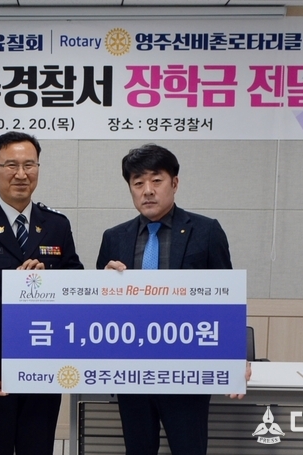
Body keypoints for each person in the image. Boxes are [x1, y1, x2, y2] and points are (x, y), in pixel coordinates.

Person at [96, 144, 249, 455]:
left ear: (174, 183)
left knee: (189, 449)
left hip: (187, 369)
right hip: (132, 370)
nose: (147, 191)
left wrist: (236, 356)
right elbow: (100, 308)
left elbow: (227, 299)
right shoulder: (115, 237)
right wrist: (104, 284)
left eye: (157, 180)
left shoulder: (205, 231)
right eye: (138, 183)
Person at [0, 131, 84, 455]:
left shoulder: (57, 224)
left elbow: (74, 285)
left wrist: (47, 279)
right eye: (11, 165)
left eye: (29, 165)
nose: (21, 174)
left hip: (42, 367)